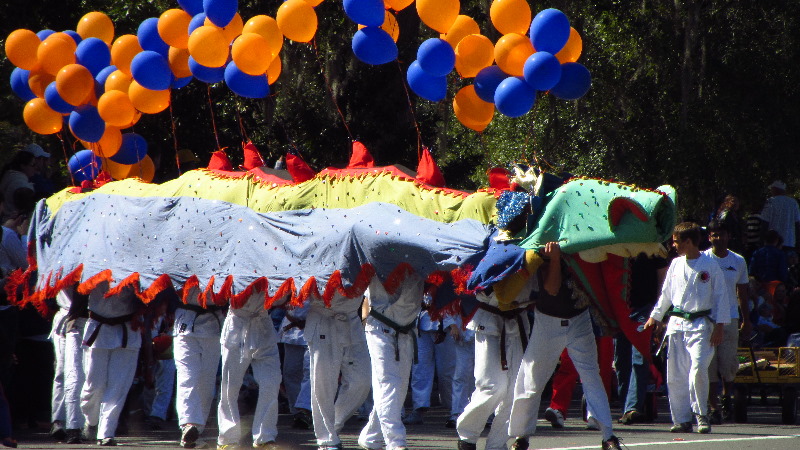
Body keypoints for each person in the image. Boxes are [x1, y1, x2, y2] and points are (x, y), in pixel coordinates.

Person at [508, 242, 621, 450]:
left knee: (591, 376)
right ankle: (521, 436)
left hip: (580, 319)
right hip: (548, 323)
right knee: (531, 382)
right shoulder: (541, 248)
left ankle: (608, 436)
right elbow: (552, 288)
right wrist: (556, 258)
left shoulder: (584, 245)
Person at [644, 222, 729, 434]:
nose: (673, 245)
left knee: (698, 368)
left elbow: (721, 298)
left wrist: (719, 327)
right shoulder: (674, 264)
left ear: (688, 242)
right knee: (675, 374)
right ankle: (681, 419)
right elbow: (665, 295)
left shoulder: (710, 265)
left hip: (702, 325)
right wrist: (655, 317)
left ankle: (701, 414)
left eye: (676, 241)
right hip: (677, 325)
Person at [358, 273, 424, 450]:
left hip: (406, 332)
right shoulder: (374, 254)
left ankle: (372, 436)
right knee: (389, 384)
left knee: (399, 387)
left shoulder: (421, 257)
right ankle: (396, 442)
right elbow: (364, 296)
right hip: (380, 329)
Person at [80, 282, 146, 446]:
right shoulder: (93, 262)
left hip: (128, 328)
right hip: (98, 327)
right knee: (93, 385)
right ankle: (91, 420)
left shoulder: (139, 265)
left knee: (119, 386)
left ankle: (106, 432)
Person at [216, 288, 281, 450]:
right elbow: (219, 295)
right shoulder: (231, 264)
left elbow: (281, 300)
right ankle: (228, 438)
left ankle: (265, 437)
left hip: (263, 323)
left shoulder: (274, 265)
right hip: (237, 324)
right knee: (230, 386)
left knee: (271, 382)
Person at [306, 291, 371, 450]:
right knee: (323, 384)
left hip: (352, 321)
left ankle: (332, 425)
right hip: (323, 319)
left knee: (362, 380)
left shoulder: (361, 264)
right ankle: (326, 439)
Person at [703, 220, 749, 424]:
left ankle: (727, 396)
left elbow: (743, 292)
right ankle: (714, 408)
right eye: (714, 235)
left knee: (728, 364)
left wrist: (746, 319)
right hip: (706, 318)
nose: (718, 238)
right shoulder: (702, 258)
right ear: (709, 237)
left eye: (722, 234)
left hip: (730, 317)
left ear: (729, 236)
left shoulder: (738, 261)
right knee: (709, 366)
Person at [615, 253, 668, 425]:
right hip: (620, 309)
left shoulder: (653, 244)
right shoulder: (616, 243)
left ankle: (632, 407)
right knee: (621, 360)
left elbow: (663, 279)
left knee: (639, 358)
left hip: (645, 309)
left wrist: (659, 313)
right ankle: (626, 408)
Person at [173, 286, 225, 449]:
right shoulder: (181, 265)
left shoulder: (226, 264)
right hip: (185, 324)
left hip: (213, 327)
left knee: (206, 382)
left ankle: (196, 431)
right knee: (187, 377)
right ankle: (188, 425)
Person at [403, 291, 455, 426]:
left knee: (447, 372)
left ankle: (454, 410)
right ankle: (418, 408)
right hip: (421, 323)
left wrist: (451, 323)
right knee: (419, 368)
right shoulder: (421, 272)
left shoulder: (450, 270)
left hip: (447, 324)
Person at [277, 301, 312, 430]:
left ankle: (305, 410)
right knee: (290, 372)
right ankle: (297, 412)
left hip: (316, 325)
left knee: (310, 372)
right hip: (292, 327)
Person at [760, 181, 800, 251]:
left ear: (775, 189)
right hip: (790, 242)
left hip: (773, 242)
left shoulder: (770, 201)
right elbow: (797, 223)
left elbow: (765, 222)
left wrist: (762, 241)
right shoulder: (793, 202)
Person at [0, 150, 37, 222]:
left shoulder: (9, 176)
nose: (36, 168)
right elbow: (26, 205)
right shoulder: (19, 182)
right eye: (32, 165)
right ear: (23, 166)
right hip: (15, 224)